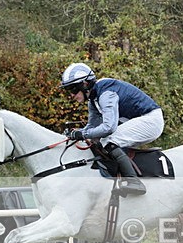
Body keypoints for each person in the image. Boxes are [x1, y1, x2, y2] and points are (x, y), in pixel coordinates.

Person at [60, 62, 164, 195]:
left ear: (85, 84)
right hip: (139, 119)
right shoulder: (93, 99)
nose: (71, 96)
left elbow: (108, 127)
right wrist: (76, 134)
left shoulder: (106, 94)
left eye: (73, 90)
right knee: (100, 141)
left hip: (151, 120)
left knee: (109, 140)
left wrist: (83, 134)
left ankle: (134, 182)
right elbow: (92, 127)